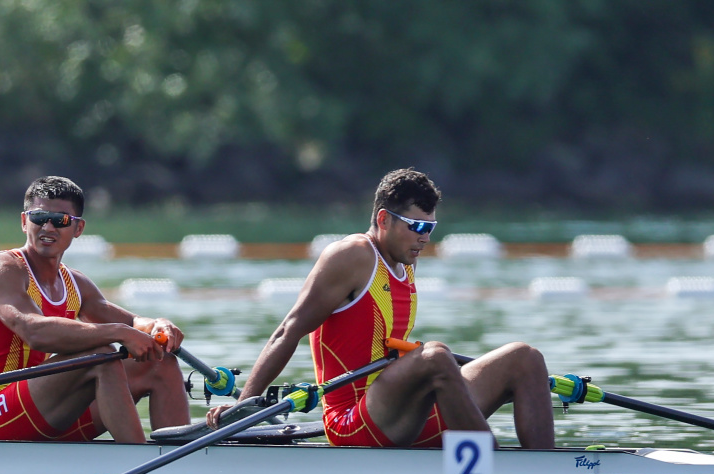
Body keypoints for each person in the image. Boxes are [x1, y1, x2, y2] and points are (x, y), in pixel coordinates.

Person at [207, 168, 554, 449]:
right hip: (352, 421)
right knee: (435, 355)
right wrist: (243, 406)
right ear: (384, 219)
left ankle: (545, 472)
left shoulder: (405, 259)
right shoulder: (351, 256)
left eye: (430, 228)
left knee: (526, 358)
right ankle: (492, 467)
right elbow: (289, 330)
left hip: (404, 414)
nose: (425, 238)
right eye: (417, 227)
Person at [0, 175, 190, 443]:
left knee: (161, 362)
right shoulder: (1, 269)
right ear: (24, 222)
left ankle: (180, 458)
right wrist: (119, 333)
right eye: (39, 217)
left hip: (41, 407)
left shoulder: (75, 284)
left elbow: (134, 323)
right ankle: (140, 458)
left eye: (61, 220)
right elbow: (34, 332)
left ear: (78, 228)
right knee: (101, 357)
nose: (48, 227)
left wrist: (158, 325)